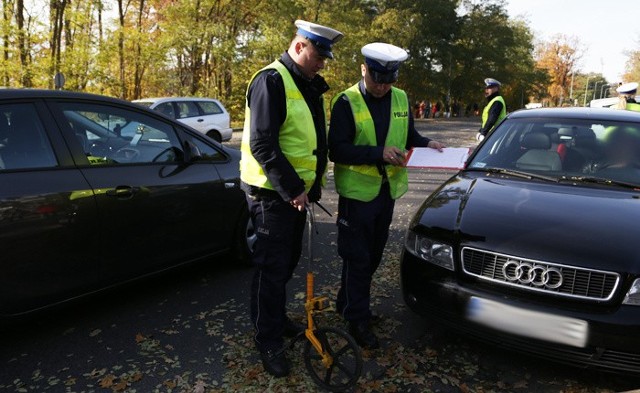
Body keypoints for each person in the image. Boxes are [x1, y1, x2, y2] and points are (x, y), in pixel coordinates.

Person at [239, 19, 343, 377]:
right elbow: (262, 144)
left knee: (285, 264)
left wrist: (308, 189)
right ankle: (267, 339)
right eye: (318, 55)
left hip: (293, 196)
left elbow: (307, 142)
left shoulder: (305, 83)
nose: (322, 63)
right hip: (271, 195)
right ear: (299, 47)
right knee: (271, 268)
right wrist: (293, 188)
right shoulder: (271, 80)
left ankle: (275, 318)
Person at [328, 42, 445, 349]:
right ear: (363, 70)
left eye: (388, 81)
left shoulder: (402, 97)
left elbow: (408, 136)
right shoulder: (346, 101)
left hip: (387, 193)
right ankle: (357, 320)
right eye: (376, 79)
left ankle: (348, 304)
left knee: (373, 256)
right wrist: (378, 153)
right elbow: (337, 149)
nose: (381, 87)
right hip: (357, 196)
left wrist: (427, 143)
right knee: (358, 258)